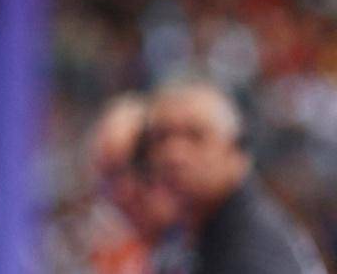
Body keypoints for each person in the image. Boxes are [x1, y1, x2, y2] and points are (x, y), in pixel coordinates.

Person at [145, 79, 328, 274]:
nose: (174, 155)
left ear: (236, 150)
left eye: (195, 136)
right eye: (161, 137)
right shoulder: (199, 230)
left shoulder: (254, 253)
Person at [85, 94, 182, 273]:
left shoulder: (199, 245)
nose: (119, 193)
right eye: (106, 178)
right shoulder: (115, 253)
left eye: (122, 170)